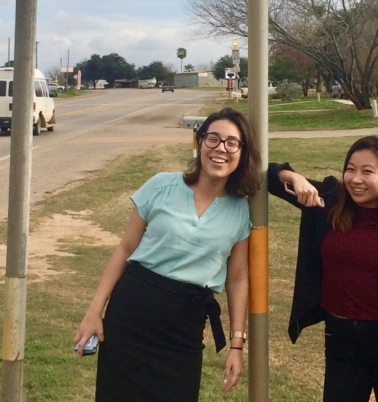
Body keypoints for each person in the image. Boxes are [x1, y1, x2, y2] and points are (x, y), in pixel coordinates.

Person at [74, 108, 260, 402]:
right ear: (198, 142)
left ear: (242, 153)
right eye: (212, 138)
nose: (220, 148)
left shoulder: (240, 209)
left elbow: (237, 278)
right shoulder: (161, 185)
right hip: (131, 316)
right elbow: (125, 248)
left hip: (184, 330)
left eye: (231, 142)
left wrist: (237, 345)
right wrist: (94, 311)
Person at [268, 136, 378, 402]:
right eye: (350, 169)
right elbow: (269, 177)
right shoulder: (327, 203)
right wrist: (295, 178)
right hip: (340, 339)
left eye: (367, 171)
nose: (355, 179)